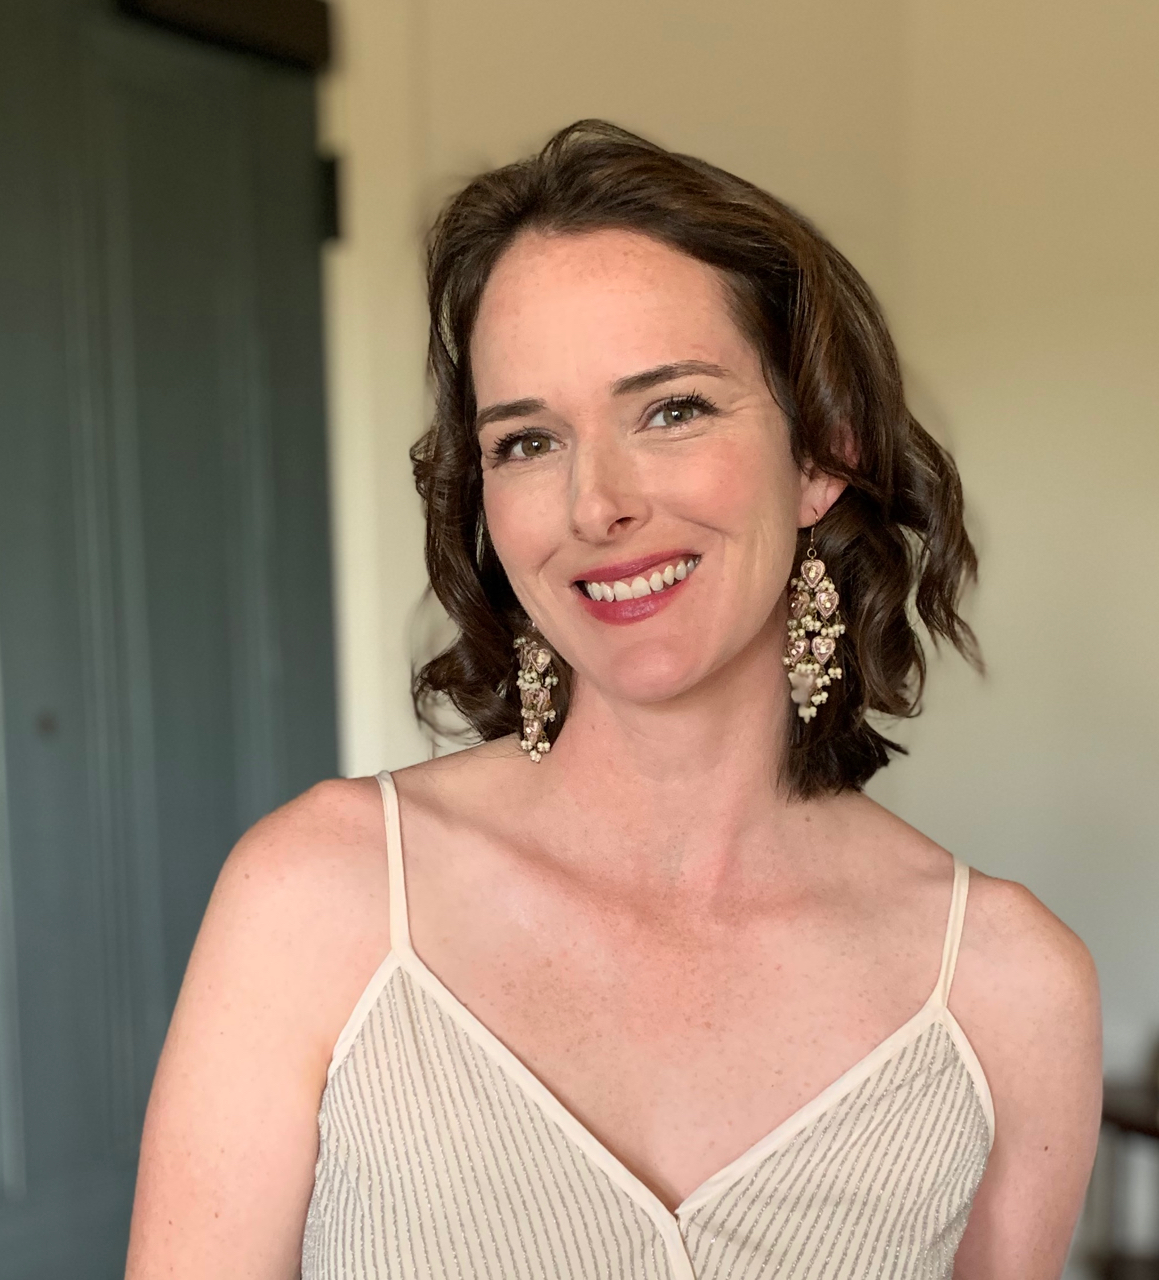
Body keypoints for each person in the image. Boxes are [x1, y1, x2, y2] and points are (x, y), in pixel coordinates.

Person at [125, 122, 1101, 1279]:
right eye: (527, 440)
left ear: (821, 453)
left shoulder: (1005, 987)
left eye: (671, 408)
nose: (596, 504)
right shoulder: (316, 894)